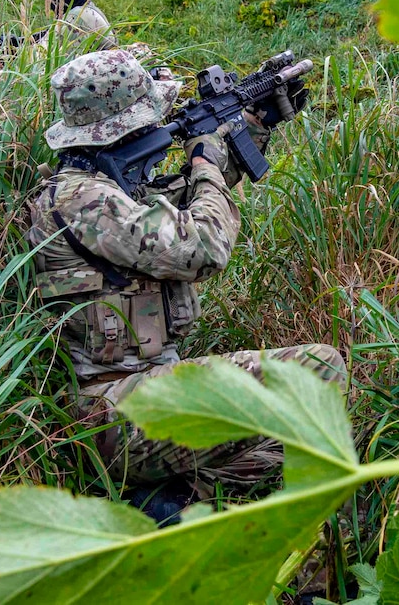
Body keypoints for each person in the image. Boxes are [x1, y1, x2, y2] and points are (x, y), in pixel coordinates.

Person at [27, 49, 346, 492]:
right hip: (115, 415)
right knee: (317, 368)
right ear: (127, 128)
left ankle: (185, 512)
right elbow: (204, 245)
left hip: (142, 399)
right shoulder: (83, 200)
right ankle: (326, 533)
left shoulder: (109, 189)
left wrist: (252, 125)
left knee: (276, 461)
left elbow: (179, 206)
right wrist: (204, 163)